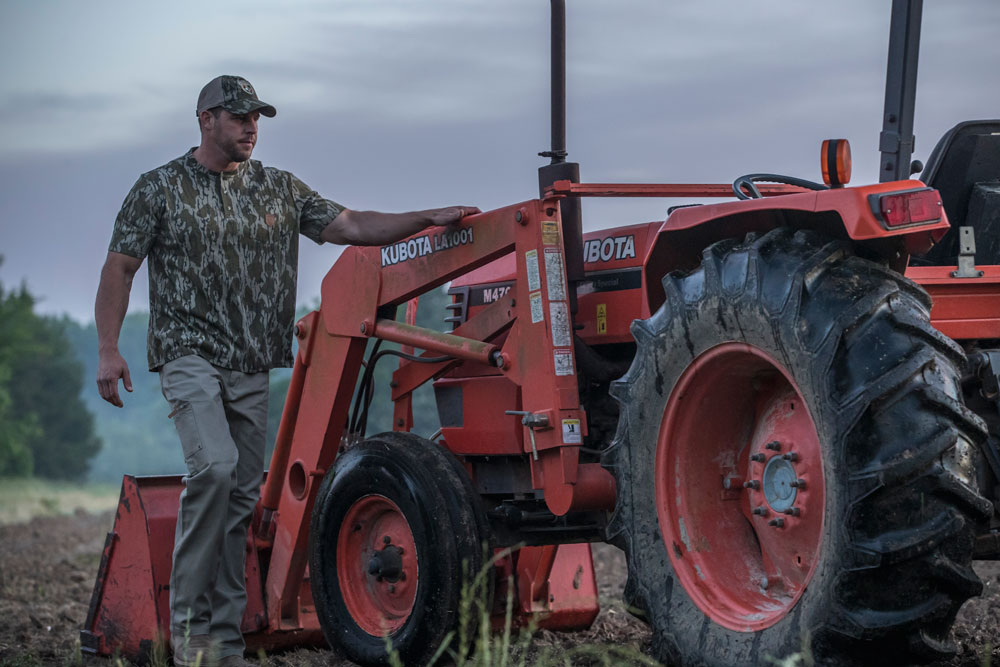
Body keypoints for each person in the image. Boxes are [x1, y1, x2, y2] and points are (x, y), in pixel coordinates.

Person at [94, 75, 479, 667]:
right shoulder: (159, 189)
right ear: (206, 119)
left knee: (241, 496)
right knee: (214, 471)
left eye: (258, 118)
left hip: (251, 361)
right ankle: (191, 632)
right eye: (240, 117)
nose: (252, 128)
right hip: (188, 353)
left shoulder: (279, 189)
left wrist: (424, 218)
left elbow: (351, 226)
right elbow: (119, 269)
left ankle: (223, 641)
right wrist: (108, 349)